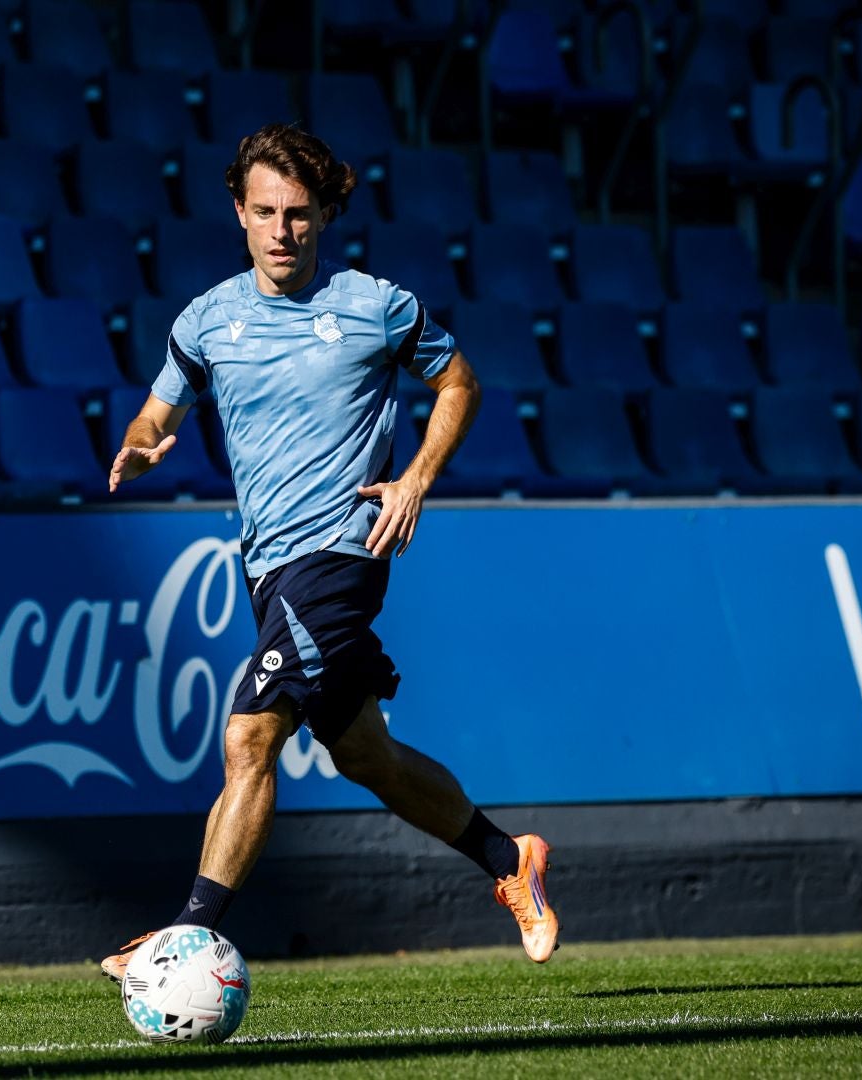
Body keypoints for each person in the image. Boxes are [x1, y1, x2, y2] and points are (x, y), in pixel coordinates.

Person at [101, 124, 557, 980]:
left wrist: (417, 476)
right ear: (238, 210)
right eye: (266, 212)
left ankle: (186, 938)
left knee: (249, 738)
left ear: (325, 217)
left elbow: (459, 380)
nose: (282, 231)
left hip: (343, 553)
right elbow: (156, 409)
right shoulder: (208, 319)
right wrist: (144, 438)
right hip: (268, 569)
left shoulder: (373, 306)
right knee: (365, 757)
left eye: (300, 215)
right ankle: (510, 860)